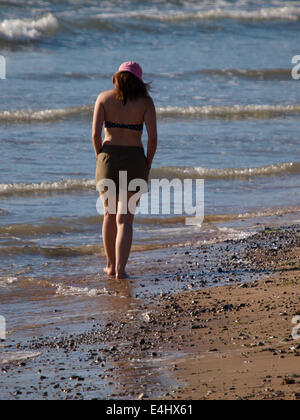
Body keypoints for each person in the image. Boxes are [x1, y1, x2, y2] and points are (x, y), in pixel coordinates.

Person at [92, 61, 158, 280]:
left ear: (115, 79)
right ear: (140, 83)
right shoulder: (146, 103)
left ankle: (110, 266)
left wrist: (99, 157)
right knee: (126, 219)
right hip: (134, 161)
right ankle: (121, 269)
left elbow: (95, 136)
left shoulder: (103, 98)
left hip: (108, 159)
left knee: (109, 216)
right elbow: (153, 138)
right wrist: (147, 163)